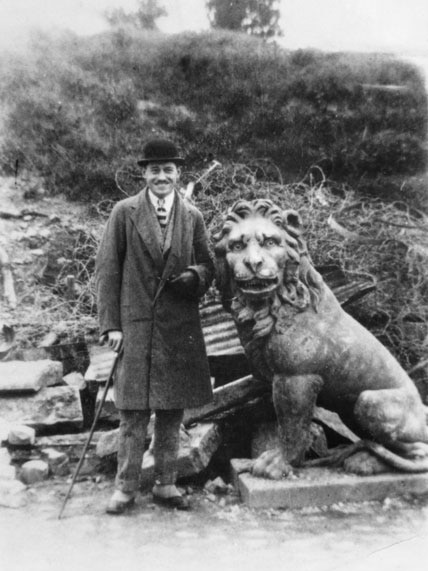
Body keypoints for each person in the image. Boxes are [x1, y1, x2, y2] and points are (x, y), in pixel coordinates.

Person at [95, 139, 214, 514]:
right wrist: (111, 325)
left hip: (178, 328)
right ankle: (126, 488)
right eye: (154, 170)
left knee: (170, 412)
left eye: (168, 170)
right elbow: (107, 270)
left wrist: (193, 277)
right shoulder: (124, 212)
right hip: (136, 327)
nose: (161, 177)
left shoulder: (192, 216)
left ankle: (166, 484)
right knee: (132, 413)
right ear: (143, 173)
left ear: (179, 174)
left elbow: (209, 265)